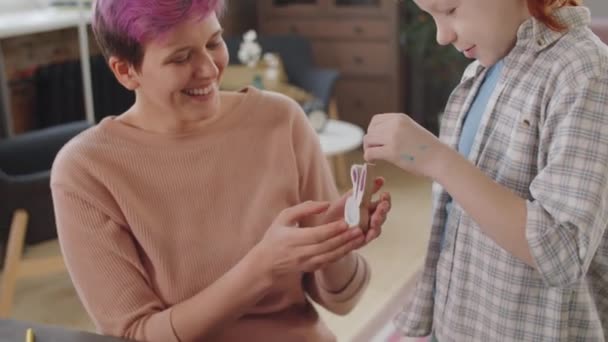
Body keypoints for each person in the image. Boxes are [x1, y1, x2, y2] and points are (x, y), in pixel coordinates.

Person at [50, 1, 392, 341]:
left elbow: (344, 301)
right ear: (126, 71)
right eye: (181, 58)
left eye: (214, 43)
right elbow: (135, 334)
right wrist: (261, 267)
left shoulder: (280, 120)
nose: (210, 69)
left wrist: (335, 239)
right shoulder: (86, 170)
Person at [364, 0, 608, 341]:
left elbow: (562, 250)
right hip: (461, 323)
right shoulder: (481, 70)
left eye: (448, 10)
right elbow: (460, 219)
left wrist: (437, 159)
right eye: (430, 16)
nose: (441, 36)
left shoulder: (585, 71)